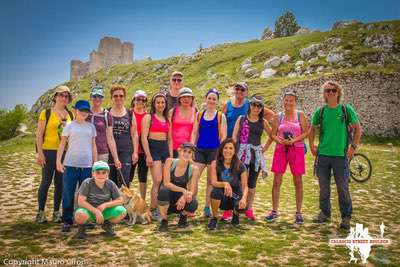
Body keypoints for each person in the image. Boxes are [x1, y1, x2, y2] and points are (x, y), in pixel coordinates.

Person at [309, 81, 362, 230]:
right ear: (324, 94)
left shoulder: (346, 110)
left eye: (333, 90)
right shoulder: (320, 112)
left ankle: (346, 217)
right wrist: (312, 145)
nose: (330, 93)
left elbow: (358, 129)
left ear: (338, 93)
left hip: (340, 156)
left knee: (342, 187)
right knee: (324, 187)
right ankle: (325, 213)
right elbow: (311, 129)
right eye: (327, 90)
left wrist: (353, 148)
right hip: (323, 155)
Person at [266, 91, 309, 225]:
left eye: (291, 100)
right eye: (286, 100)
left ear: (295, 102)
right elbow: (272, 134)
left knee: (298, 181)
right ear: (283, 101)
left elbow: (307, 132)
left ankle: (298, 212)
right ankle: (274, 211)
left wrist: (294, 140)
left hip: (297, 150)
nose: (288, 103)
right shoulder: (278, 116)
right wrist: (279, 141)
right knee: (277, 181)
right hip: (280, 149)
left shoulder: (300, 115)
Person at [56, 100, 97, 233]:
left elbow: (93, 146)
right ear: (76, 110)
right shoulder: (69, 126)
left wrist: (95, 164)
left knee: (85, 195)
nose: (84, 113)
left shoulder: (91, 127)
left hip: (87, 165)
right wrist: (58, 161)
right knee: (68, 193)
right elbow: (62, 145)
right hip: (70, 164)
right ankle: (67, 221)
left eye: (86, 111)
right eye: (81, 110)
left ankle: (85, 219)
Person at [35, 85, 74, 223]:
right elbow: (39, 135)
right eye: (61, 95)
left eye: (66, 96)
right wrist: (40, 153)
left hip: (64, 153)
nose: (63, 98)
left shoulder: (70, 115)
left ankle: (56, 213)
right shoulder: (46, 113)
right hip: (48, 152)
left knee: (60, 184)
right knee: (45, 182)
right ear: (55, 97)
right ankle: (40, 212)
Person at [232, 95, 271, 221]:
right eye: (254, 104)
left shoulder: (262, 122)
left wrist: (264, 148)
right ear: (250, 105)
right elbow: (233, 137)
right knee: (237, 181)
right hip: (240, 155)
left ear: (261, 108)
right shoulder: (241, 119)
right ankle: (232, 208)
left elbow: (272, 135)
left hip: (256, 156)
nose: (256, 108)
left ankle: (249, 209)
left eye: (259, 106)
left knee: (252, 183)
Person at [191, 88, 227, 217]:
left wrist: (221, 153)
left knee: (210, 181)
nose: (211, 101)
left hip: (214, 151)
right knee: (193, 178)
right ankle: (190, 205)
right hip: (200, 150)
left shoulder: (220, 116)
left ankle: (207, 207)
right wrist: (191, 147)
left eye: (214, 99)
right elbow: (195, 132)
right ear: (206, 99)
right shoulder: (199, 114)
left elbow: (223, 136)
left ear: (217, 101)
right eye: (209, 98)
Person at [74, 161, 126, 239]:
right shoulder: (87, 183)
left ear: (107, 174)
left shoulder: (110, 184)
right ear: (93, 173)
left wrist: (105, 205)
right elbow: (81, 201)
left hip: (104, 211)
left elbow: (121, 200)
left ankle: (107, 225)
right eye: (97, 172)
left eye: (104, 172)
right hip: (89, 211)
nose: (101, 175)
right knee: (80, 214)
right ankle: (82, 228)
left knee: (122, 211)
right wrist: (96, 211)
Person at [207, 138, 248, 230]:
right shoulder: (215, 163)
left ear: (234, 151)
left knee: (242, 206)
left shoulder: (240, 165)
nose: (228, 151)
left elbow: (245, 186)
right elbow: (213, 182)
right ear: (221, 150)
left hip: (235, 196)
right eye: (225, 148)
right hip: (222, 198)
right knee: (215, 191)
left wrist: (244, 199)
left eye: (231, 148)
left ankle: (236, 215)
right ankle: (214, 218)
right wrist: (225, 184)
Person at [158, 143, 200, 231]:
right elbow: (166, 183)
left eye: (189, 152)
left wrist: (185, 197)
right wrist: (183, 190)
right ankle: (164, 220)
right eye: (184, 151)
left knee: (193, 203)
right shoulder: (170, 161)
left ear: (192, 155)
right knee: (163, 190)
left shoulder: (194, 168)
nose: (186, 154)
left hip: (180, 201)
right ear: (179, 151)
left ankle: (183, 218)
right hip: (168, 198)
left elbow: (192, 190)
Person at [141, 92, 171, 220]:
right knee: (157, 180)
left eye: (163, 102)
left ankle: (161, 207)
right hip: (153, 149)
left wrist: (169, 155)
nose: (160, 104)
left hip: (164, 148)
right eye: (158, 102)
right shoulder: (149, 117)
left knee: (165, 181)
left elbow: (169, 139)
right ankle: (154, 208)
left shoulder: (167, 119)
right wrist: (148, 155)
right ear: (154, 104)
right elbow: (143, 137)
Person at [108, 85, 139, 187]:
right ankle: (113, 203)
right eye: (115, 96)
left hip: (126, 152)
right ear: (112, 98)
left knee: (124, 182)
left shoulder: (130, 113)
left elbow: (134, 134)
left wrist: (135, 152)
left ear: (125, 97)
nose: (118, 98)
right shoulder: (107, 113)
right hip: (110, 152)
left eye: (121, 96)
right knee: (111, 182)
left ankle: (124, 203)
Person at [87, 85, 120, 166]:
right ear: (91, 97)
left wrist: (116, 158)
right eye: (95, 96)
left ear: (103, 98)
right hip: (86, 152)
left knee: (100, 177)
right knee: (87, 178)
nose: (97, 99)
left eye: (100, 96)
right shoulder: (85, 113)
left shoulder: (107, 115)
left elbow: (110, 138)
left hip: (102, 153)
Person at [129, 89, 149, 199]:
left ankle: (143, 200)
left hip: (143, 151)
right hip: (131, 150)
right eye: (138, 99)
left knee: (143, 176)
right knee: (129, 176)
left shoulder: (148, 116)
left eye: (143, 100)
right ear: (133, 100)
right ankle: (126, 200)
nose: (140, 102)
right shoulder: (128, 114)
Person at [169, 87, 196, 158]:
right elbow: (169, 133)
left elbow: (195, 132)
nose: (186, 99)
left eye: (188, 97)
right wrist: (170, 153)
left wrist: (191, 149)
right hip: (174, 148)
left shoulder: (196, 112)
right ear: (179, 99)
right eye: (183, 97)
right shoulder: (172, 112)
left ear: (192, 99)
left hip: (188, 149)